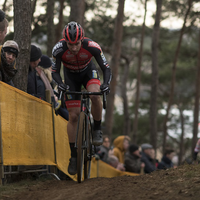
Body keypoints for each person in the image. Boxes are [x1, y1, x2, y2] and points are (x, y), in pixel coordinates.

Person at [52, 21, 112, 175]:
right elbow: (54, 72)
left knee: (94, 95)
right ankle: (73, 156)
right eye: (70, 44)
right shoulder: (58, 50)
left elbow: (106, 68)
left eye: (76, 44)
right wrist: (60, 84)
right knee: (73, 116)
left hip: (88, 73)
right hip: (70, 78)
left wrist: (106, 84)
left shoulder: (92, 46)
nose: (73, 48)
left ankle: (97, 128)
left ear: (82, 39)